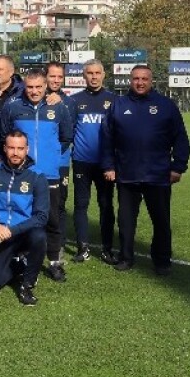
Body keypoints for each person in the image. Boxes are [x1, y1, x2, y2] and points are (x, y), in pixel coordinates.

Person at [102, 64, 190, 275]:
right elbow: (106, 139)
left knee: (160, 221)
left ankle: (162, 261)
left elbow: (181, 139)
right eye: (136, 79)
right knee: (126, 223)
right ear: (130, 81)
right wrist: (108, 165)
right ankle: (125, 258)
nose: (140, 83)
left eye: (144, 79)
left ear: (151, 81)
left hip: (158, 175)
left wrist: (178, 166)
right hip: (127, 175)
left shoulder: (166, 105)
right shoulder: (118, 105)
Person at [0, 69, 73, 283]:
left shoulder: (58, 107)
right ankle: (22, 259)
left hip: (49, 174)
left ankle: (54, 262)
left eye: (39, 87)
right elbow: (5, 136)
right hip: (22, 175)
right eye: (30, 87)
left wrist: (50, 158)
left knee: (52, 219)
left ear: (46, 86)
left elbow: (66, 136)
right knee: (24, 218)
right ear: (25, 86)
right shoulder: (12, 107)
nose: (34, 91)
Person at [0, 130, 50, 306]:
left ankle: (27, 284)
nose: (15, 152)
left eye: (20, 148)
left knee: (39, 236)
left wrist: (12, 230)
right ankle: (20, 264)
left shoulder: (37, 176)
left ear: (27, 149)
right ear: (4, 148)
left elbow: (41, 216)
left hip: (24, 232)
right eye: (11, 148)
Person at [66, 59, 116, 263]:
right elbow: (67, 131)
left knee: (106, 205)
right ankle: (83, 248)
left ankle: (107, 248)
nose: (94, 77)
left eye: (97, 73)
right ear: (83, 76)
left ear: (104, 75)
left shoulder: (113, 100)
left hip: (105, 163)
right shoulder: (75, 100)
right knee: (80, 205)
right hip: (81, 161)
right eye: (89, 73)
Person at [46, 61, 71, 208]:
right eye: (52, 76)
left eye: (59, 77)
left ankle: (58, 232)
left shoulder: (70, 102)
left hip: (60, 162)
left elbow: (68, 135)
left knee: (59, 204)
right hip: (37, 162)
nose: (56, 80)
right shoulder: (35, 98)